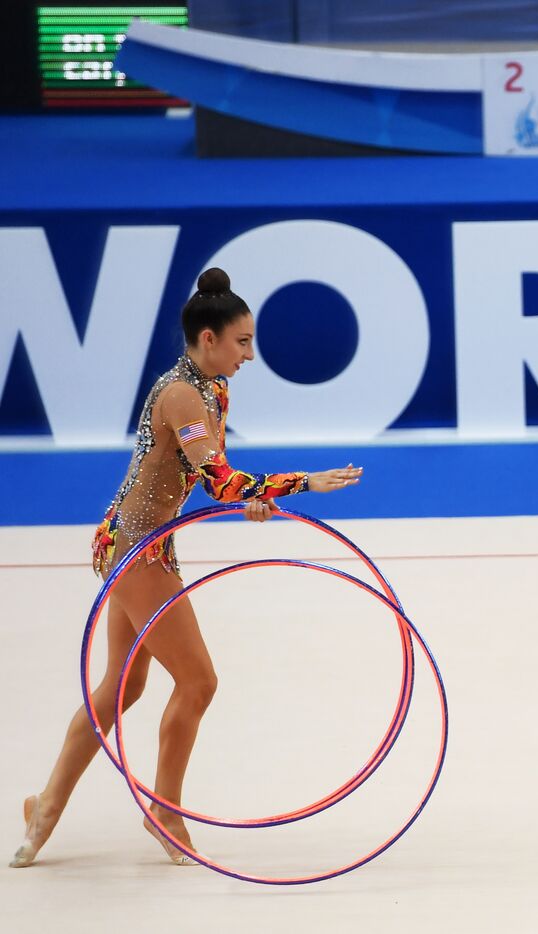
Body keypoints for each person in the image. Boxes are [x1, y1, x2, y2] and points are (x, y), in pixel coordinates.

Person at [11, 268, 363, 868]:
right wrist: (301, 483)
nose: (250, 353)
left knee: (121, 687)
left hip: (139, 542)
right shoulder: (181, 394)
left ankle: (47, 805)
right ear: (207, 339)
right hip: (137, 549)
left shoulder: (214, 388)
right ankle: (165, 811)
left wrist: (254, 500)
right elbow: (221, 480)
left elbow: (215, 480)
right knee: (198, 681)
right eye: (241, 342)